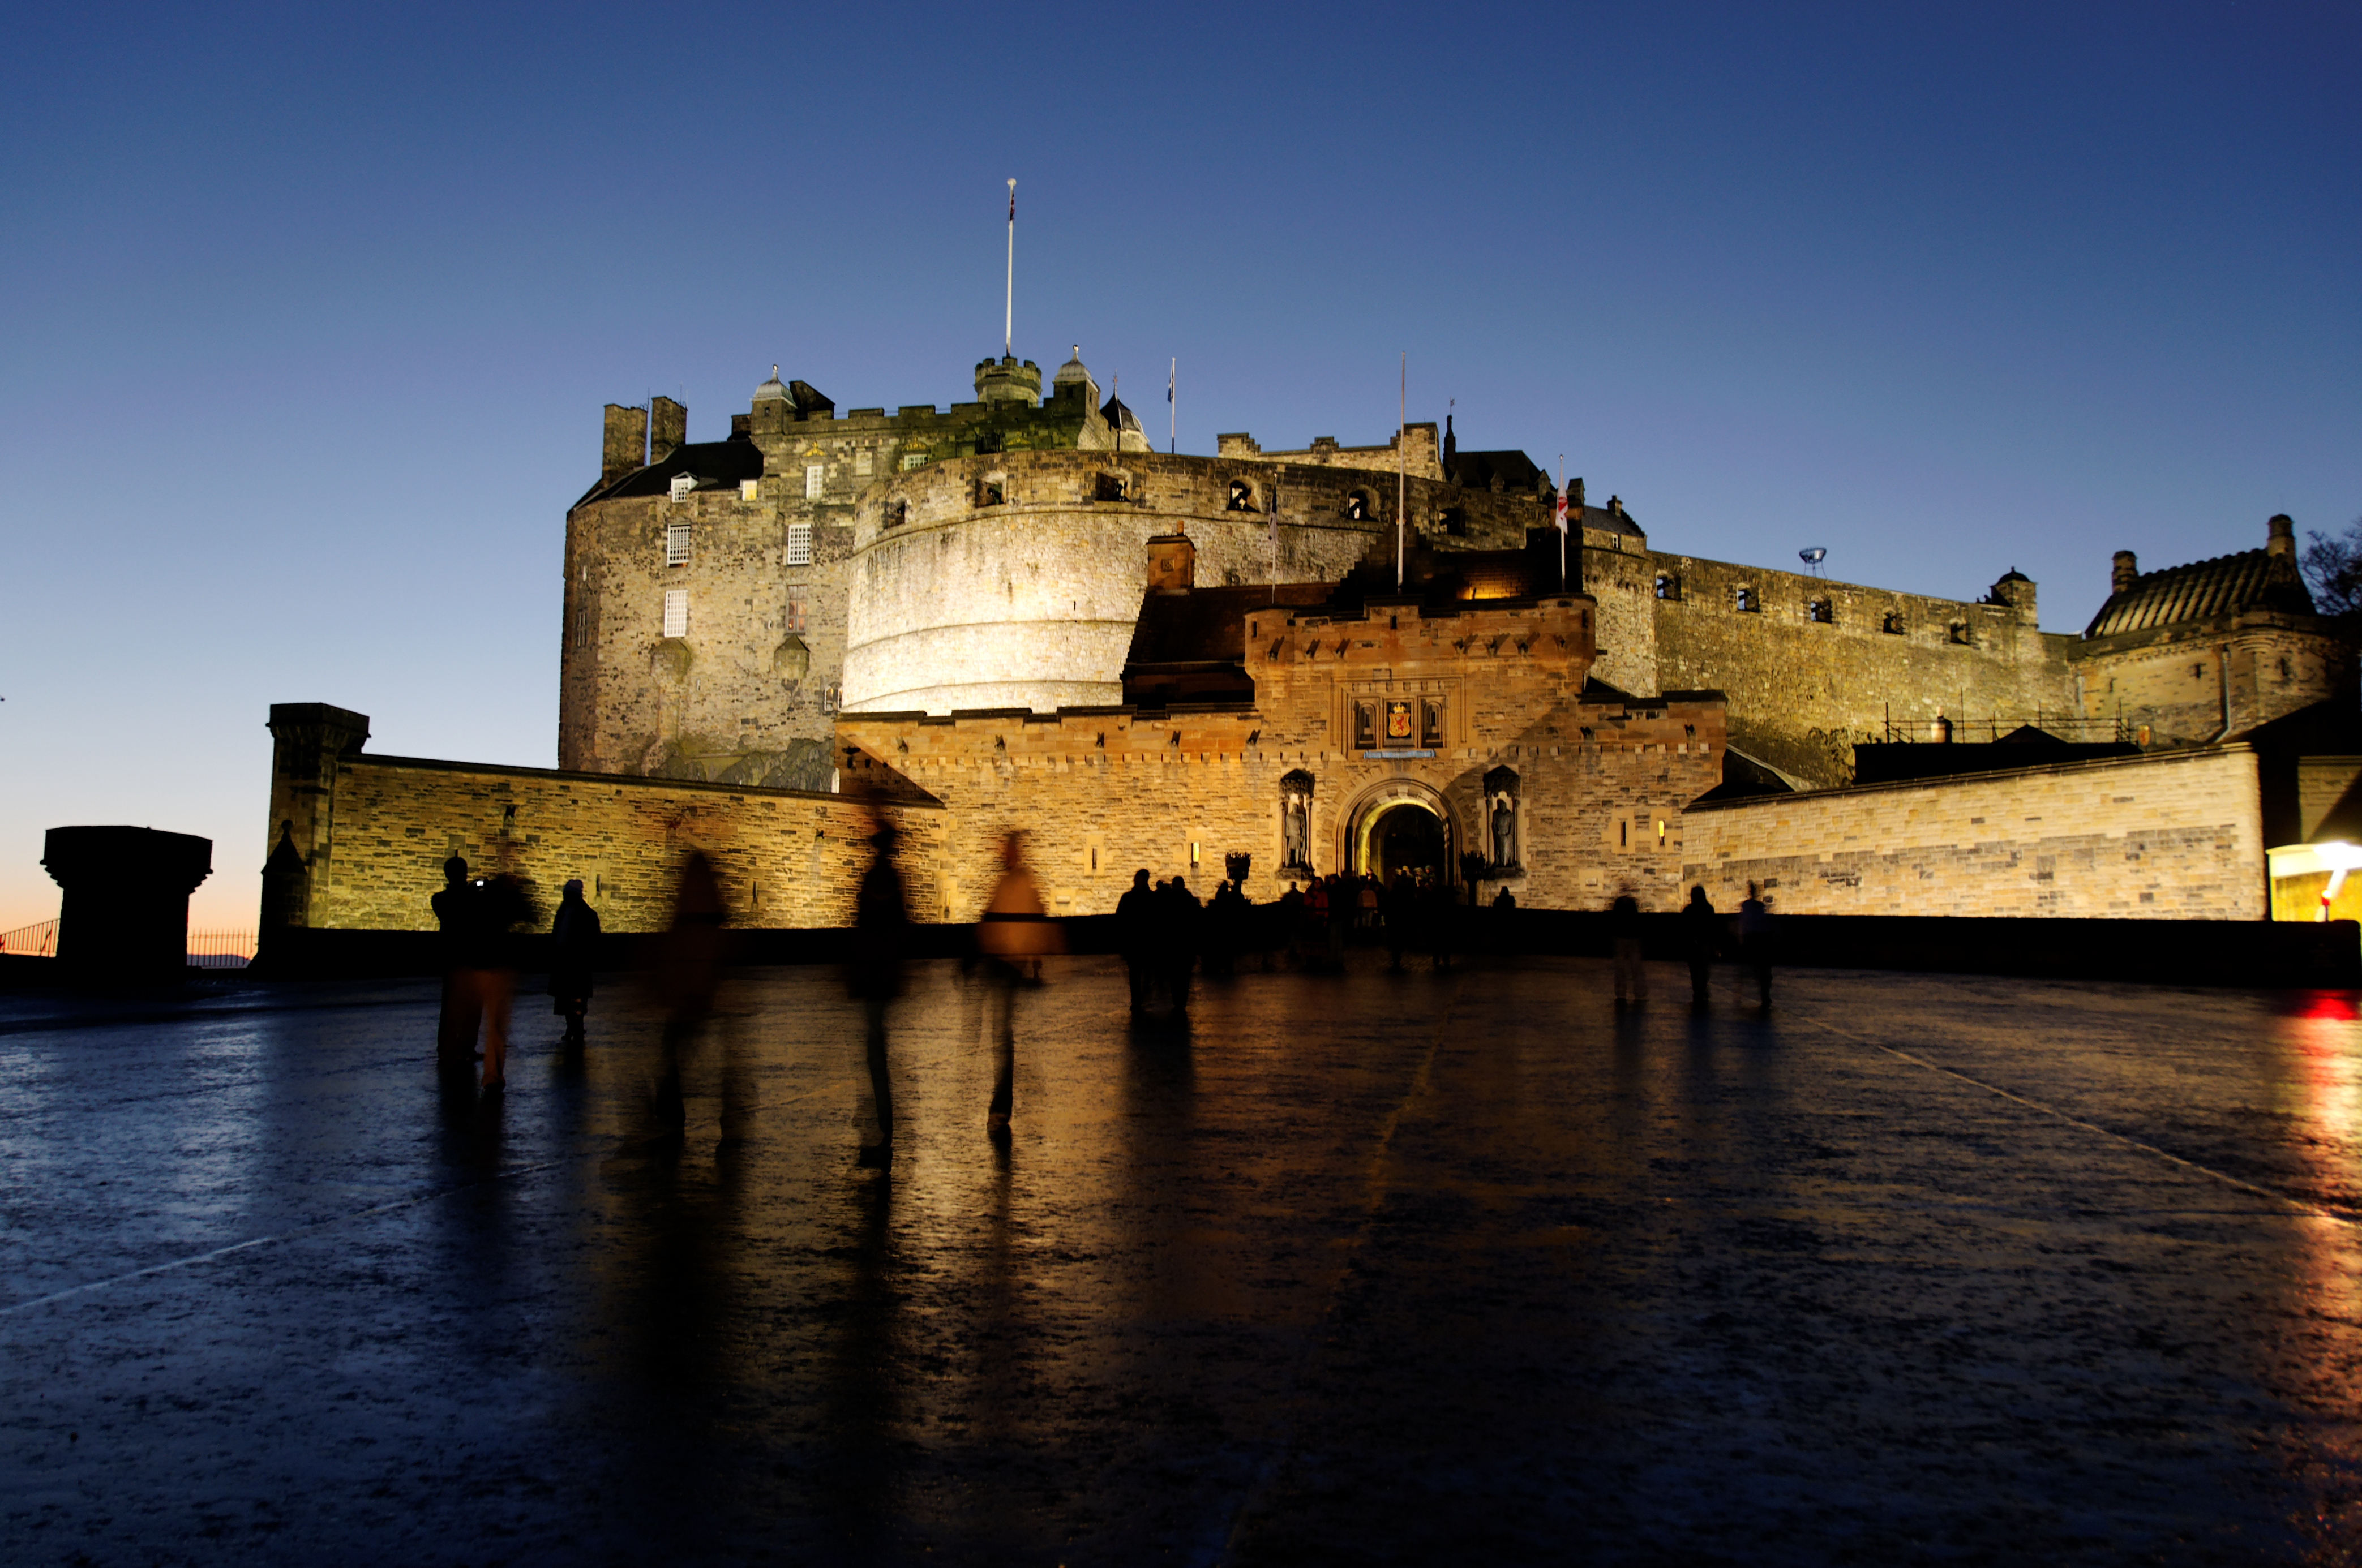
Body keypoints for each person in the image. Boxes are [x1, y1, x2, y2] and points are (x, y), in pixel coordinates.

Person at [976, 832, 1063, 1135]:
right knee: (1000, 1031)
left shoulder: (1022, 880)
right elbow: (991, 920)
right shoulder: (1007, 881)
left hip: (1010, 964)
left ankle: (1002, 1105)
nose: (1002, 854)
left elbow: (1034, 917)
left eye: (1006, 849)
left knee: (1002, 1032)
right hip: (1000, 963)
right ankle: (1002, 1102)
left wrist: (1035, 959)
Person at [653, 850, 727, 1132]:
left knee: (671, 1048)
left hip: (691, 993)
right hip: (695, 991)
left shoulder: (693, 913)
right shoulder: (707, 913)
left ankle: (669, 1106)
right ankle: (670, 1104)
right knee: (673, 1048)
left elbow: (687, 949)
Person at [849, 820, 908, 1169]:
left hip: (874, 973)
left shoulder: (876, 879)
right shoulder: (891, 880)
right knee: (875, 1050)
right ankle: (883, 1130)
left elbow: (864, 925)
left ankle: (884, 1133)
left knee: (875, 1053)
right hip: (882, 973)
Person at [431, 856, 478, 1072]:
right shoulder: (467, 897)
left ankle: (447, 1048)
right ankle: (465, 1047)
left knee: (451, 1007)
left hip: (451, 958)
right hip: (468, 956)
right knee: (470, 1008)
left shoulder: (440, 899)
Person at [548, 879, 601, 1043]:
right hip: (565, 961)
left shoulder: (585, 915)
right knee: (567, 1000)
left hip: (577, 964)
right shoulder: (564, 912)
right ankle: (572, 1028)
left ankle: (576, 1029)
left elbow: (592, 940)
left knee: (576, 1001)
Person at [1159, 874, 1201, 1017]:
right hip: (1183, 944)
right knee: (1182, 975)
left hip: (1177, 944)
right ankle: (1180, 1000)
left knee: (1177, 974)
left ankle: (1178, 1000)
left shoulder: (1170, 900)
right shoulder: (1189, 900)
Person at [1116, 868, 1156, 1015]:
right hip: (1134, 943)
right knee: (1135, 973)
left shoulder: (1151, 898)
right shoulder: (1130, 898)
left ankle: (1141, 996)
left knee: (1146, 973)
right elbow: (1120, 919)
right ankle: (1137, 999)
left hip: (1146, 942)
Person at [1679, 884, 1719, 1007]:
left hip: (1694, 944)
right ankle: (1701, 991)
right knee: (1703, 969)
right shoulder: (1708, 909)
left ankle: (1698, 991)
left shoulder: (1689, 910)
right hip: (1703, 943)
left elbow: (1684, 927)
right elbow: (1712, 928)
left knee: (1695, 969)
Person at [1737, 882, 1773, 1009]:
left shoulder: (1747, 906)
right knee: (1763, 971)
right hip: (1759, 939)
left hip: (1751, 939)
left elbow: (1744, 923)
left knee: (1746, 971)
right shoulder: (1759, 906)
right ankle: (1765, 995)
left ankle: (1739, 996)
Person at [1609, 888, 1646, 1005]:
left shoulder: (1620, 907)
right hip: (1631, 938)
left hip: (1622, 938)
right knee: (1635, 967)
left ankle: (1621, 993)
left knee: (1622, 967)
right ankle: (1638, 993)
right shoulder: (1630, 907)